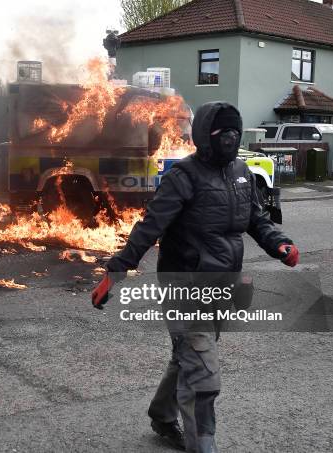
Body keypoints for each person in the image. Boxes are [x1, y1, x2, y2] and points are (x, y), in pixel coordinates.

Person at [91, 102, 299, 453]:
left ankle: (161, 414)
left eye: (235, 132)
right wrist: (115, 273)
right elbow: (149, 228)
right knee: (204, 375)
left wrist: (279, 244)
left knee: (188, 355)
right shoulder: (183, 177)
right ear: (204, 136)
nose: (230, 139)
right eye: (223, 134)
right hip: (185, 286)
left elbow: (255, 219)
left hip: (221, 285)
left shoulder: (242, 172)